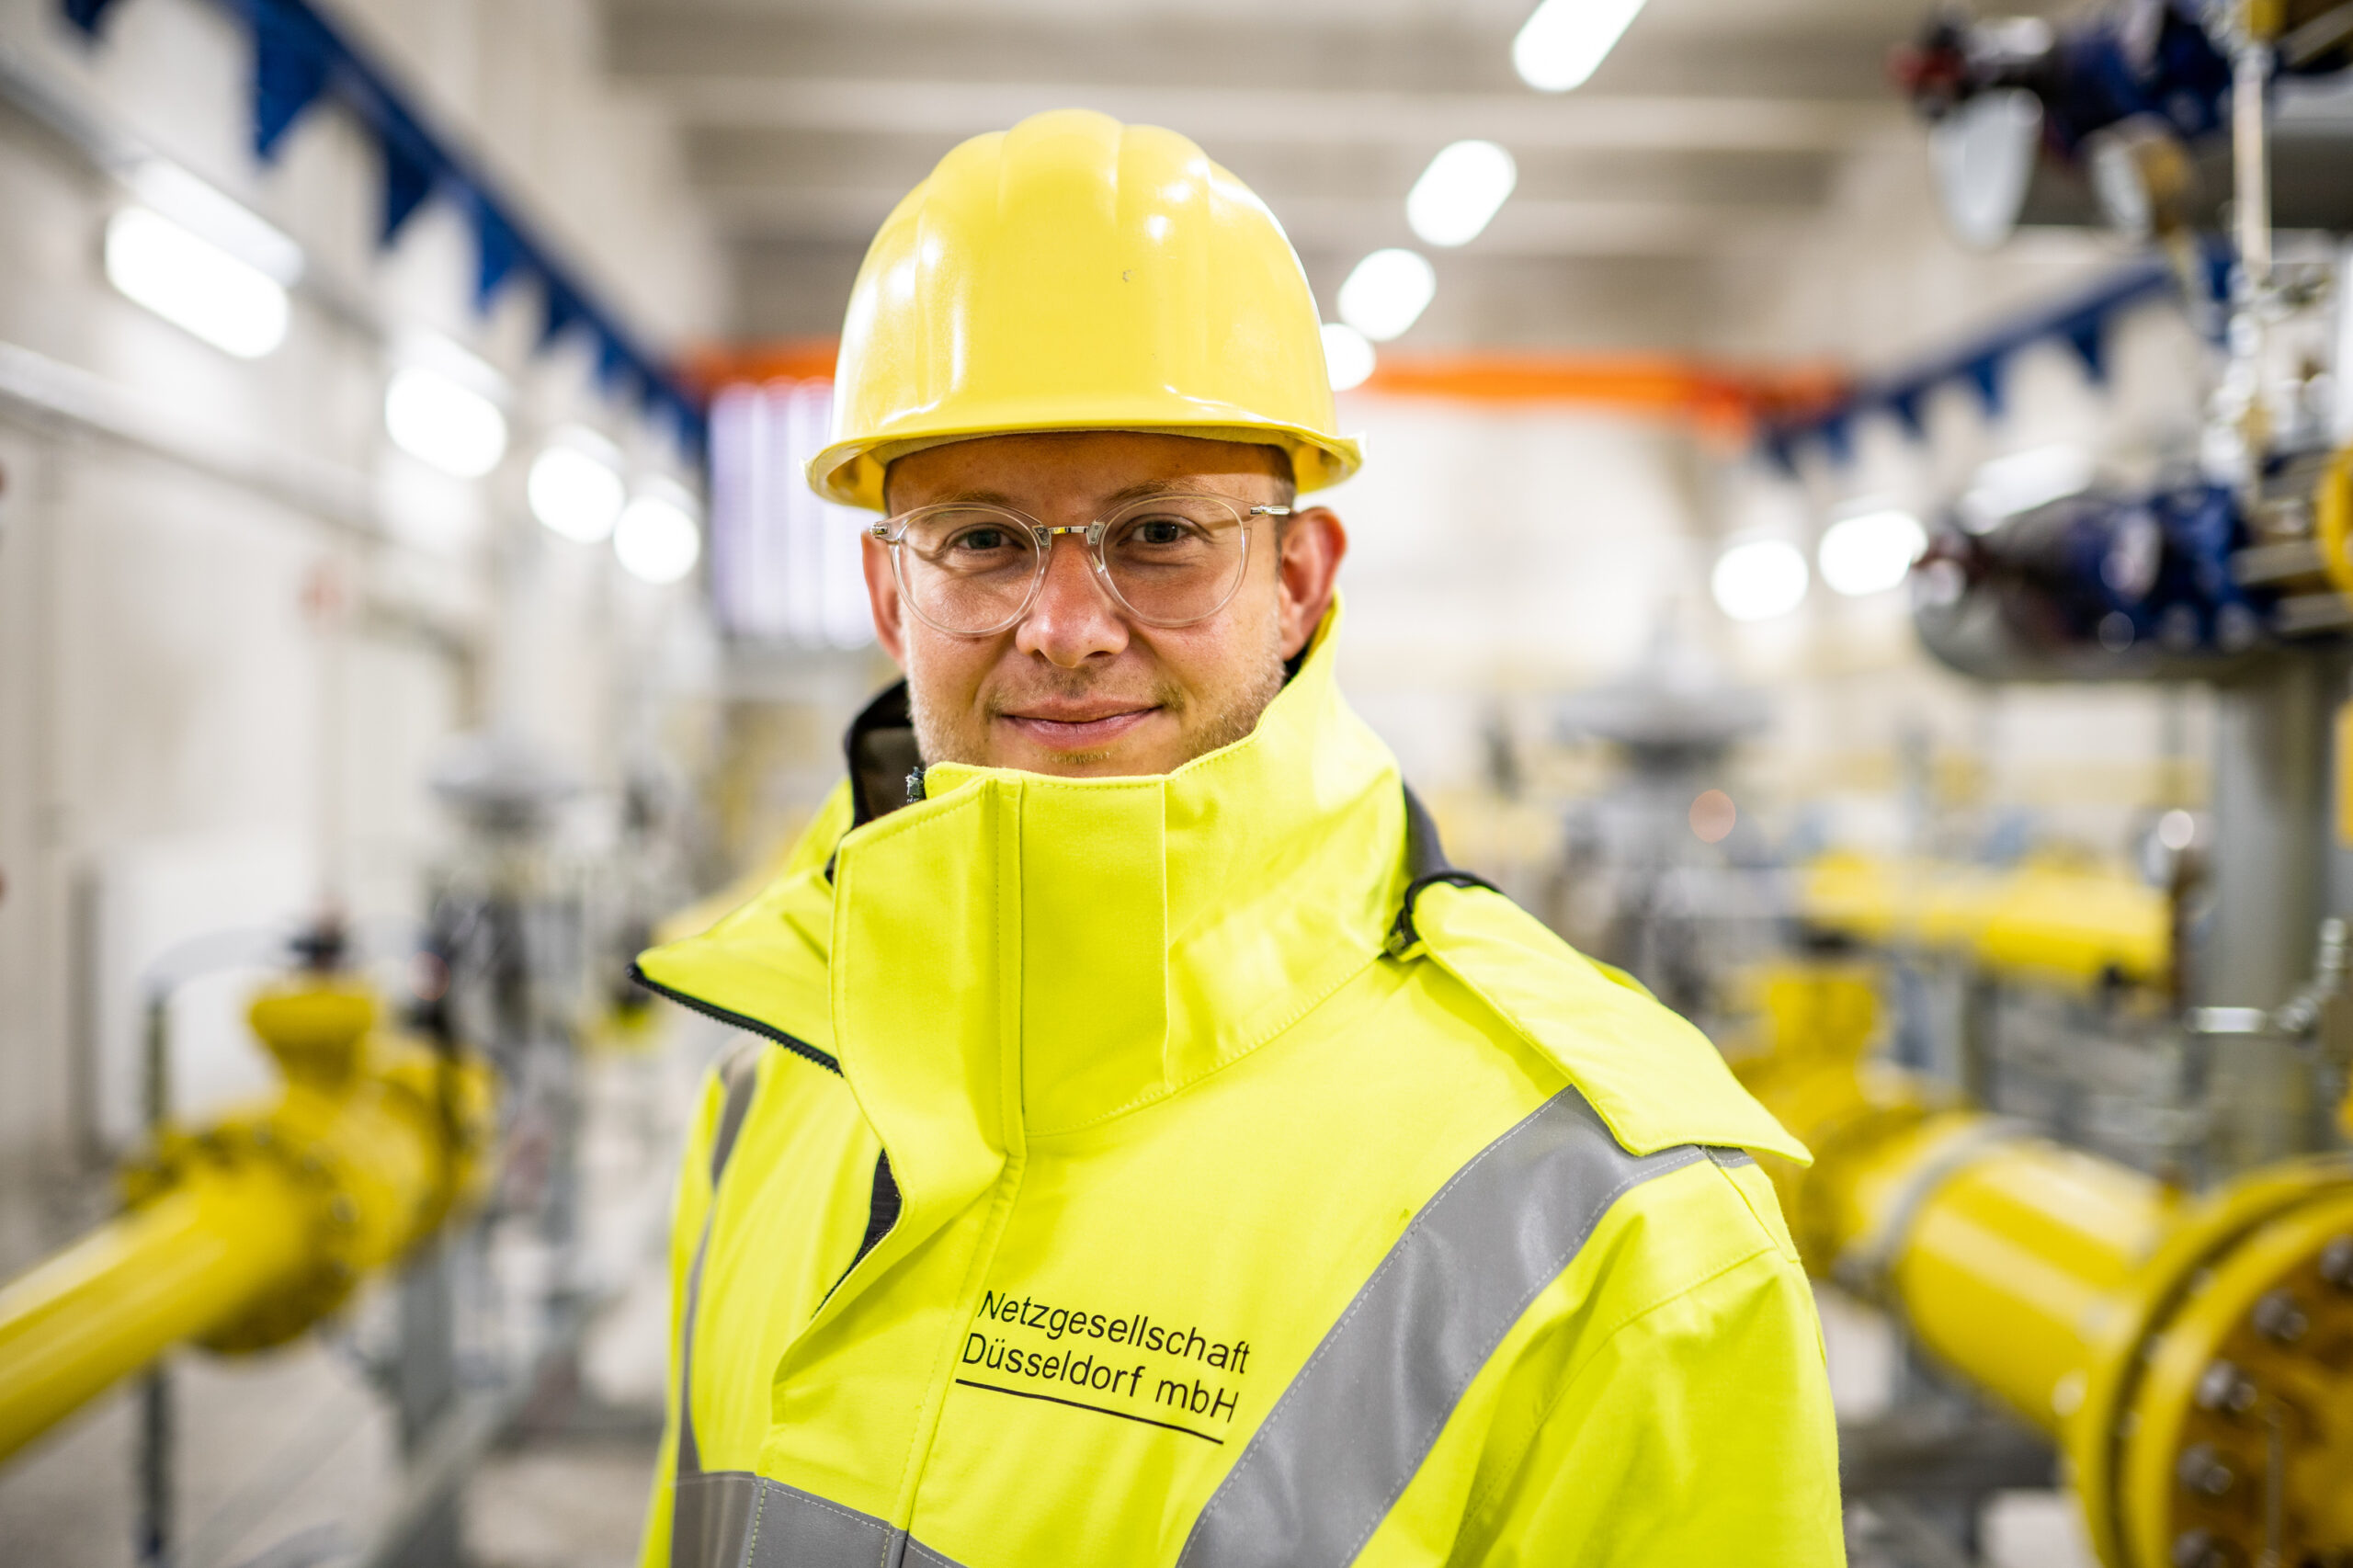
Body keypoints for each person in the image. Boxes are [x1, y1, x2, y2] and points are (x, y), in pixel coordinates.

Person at [632, 108, 1843, 1568]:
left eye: (1158, 536)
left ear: (1298, 578)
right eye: (982, 540)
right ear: (893, 595)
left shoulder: (1611, 1222)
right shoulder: (772, 1081)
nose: (1066, 630)